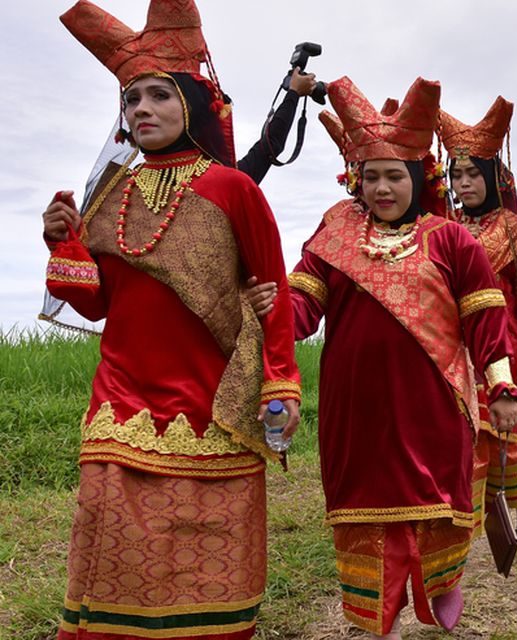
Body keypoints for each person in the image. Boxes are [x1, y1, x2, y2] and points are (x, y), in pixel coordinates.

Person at [45, 2, 302, 637]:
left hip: (210, 399)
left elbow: (269, 294)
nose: (141, 110)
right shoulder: (112, 190)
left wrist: (280, 384)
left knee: (204, 560)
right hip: (119, 401)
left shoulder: (233, 189)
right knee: (114, 547)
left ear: (191, 102)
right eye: (131, 101)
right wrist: (65, 245)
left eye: (158, 95)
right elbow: (100, 303)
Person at [287, 76, 517, 637]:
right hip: (355, 408)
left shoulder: (450, 240)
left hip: (434, 401)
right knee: (365, 514)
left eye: (395, 176)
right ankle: (377, 617)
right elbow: (301, 307)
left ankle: (440, 583)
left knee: (436, 504)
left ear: (418, 178)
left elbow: (486, 319)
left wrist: (503, 387)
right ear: (355, 180)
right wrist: (264, 311)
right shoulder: (335, 234)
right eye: (371, 177)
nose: (382, 187)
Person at [439, 96, 517, 546]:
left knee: (502, 430)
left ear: (494, 176)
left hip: (502, 341)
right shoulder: (441, 226)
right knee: (459, 433)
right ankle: (464, 519)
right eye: (456, 173)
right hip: (452, 342)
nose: (464, 182)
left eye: (473, 173)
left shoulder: (515, 231)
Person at [237, 67, 321, 184]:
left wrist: (294, 92)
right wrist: (294, 93)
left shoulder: (218, 176)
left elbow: (269, 145)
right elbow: (270, 145)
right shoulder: (226, 179)